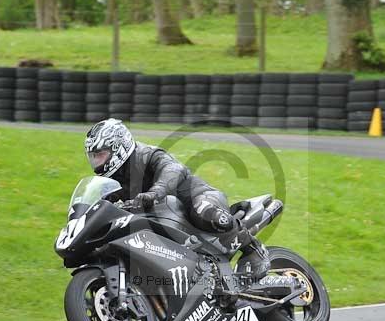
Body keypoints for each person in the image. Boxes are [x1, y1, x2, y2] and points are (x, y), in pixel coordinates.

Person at [85, 118, 270, 279]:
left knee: (205, 212)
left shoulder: (147, 155)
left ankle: (254, 249)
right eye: (93, 157)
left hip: (198, 198)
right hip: (163, 222)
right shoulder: (113, 181)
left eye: (100, 154)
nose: (97, 162)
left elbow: (173, 171)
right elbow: (102, 205)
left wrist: (154, 193)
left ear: (118, 147)